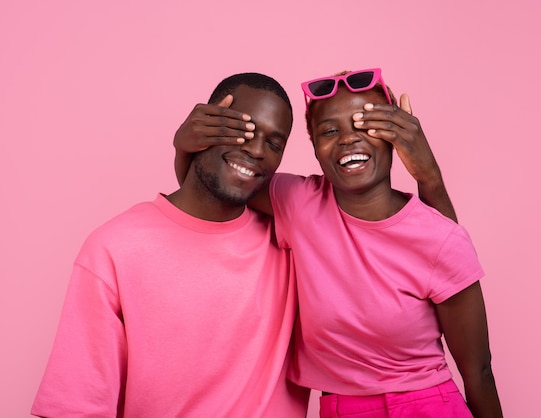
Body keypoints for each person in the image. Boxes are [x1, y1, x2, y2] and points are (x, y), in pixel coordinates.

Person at [174, 68, 502, 417]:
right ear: (314, 147)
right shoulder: (298, 202)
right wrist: (183, 146)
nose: (348, 139)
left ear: (395, 136)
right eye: (330, 131)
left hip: (426, 404)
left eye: (366, 126)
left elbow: (478, 372)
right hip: (339, 408)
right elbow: (216, 190)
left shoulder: (441, 237)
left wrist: (428, 175)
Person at [31, 73, 310, 417]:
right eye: (243, 129)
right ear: (204, 123)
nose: (255, 149)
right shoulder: (115, 248)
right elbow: (74, 407)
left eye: (274, 143)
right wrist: (186, 152)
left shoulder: (292, 242)